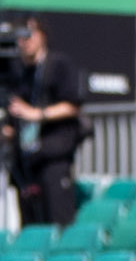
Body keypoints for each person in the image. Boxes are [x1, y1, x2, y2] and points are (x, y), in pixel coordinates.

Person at [7, 18, 84, 230]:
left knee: (59, 225)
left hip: (53, 158)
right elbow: (11, 123)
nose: (25, 41)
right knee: (30, 229)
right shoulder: (19, 74)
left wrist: (36, 114)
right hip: (26, 164)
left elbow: (73, 105)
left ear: (42, 35)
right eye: (20, 36)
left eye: (29, 34)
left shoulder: (59, 65)